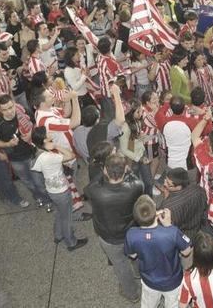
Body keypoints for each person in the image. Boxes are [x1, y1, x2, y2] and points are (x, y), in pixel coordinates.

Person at [85, 153, 145, 302]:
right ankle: (139, 274)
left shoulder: (95, 192)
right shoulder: (136, 186)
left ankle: (132, 294)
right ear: (125, 169)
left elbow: (89, 186)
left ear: (105, 170)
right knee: (137, 255)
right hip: (132, 232)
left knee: (120, 265)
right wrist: (128, 171)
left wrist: (105, 170)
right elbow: (137, 181)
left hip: (109, 236)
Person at [125, 196, 193, 308]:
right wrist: (169, 225)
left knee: (148, 304)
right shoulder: (172, 232)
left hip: (149, 281)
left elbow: (132, 255)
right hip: (173, 281)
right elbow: (187, 251)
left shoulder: (131, 234)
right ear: (156, 211)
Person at [29, 127, 87, 251]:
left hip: (52, 190)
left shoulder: (38, 153)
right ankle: (71, 242)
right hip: (61, 190)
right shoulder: (49, 156)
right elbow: (70, 155)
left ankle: (58, 234)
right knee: (67, 217)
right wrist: (55, 145)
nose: (50, 133)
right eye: (47, 133)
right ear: (45, 139)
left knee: (60, 213)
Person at [159, 167, 208, 240]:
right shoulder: (199, 190)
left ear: (179, 187)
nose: (164, 184)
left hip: (180, 235)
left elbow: (166, 227)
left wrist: (166, 199)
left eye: (168, 184)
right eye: (165, 179)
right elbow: (204, 212)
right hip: (196, 229)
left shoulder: (168, 206)